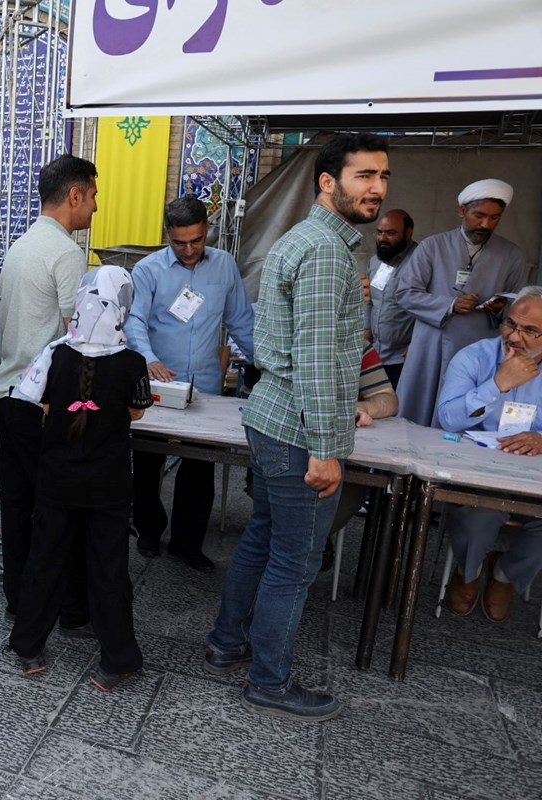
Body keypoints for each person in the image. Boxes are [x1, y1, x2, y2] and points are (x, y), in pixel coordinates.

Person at [206, 133, 388, 722]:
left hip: (274, 417)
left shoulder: (314, 242)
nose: (377, 187)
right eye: (364, 176)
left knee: (263, 539)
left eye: (383, 176)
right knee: (294, 561)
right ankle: (269, 681)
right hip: (297, 429)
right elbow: (315, 357)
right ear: (328, 182)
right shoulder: (326, 251)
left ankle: (227, 643)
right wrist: (327, 448)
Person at [8, 266, 151, 691]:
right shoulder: (133, 362)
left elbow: (40, 404)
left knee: (45, 562)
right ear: (124, 306)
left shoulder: (57, 354)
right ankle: (117, 659)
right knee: (109, 571)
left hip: (57, 483)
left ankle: (29, 647)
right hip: (108, 487)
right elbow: (137, 410)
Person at [0, 154, 97, 629]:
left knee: (16, 507)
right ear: (74, 195)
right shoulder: (66, 253)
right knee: (56, 509)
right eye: (92, 195)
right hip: (41, 402)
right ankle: (62, 606)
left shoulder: (21, 244)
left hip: (7, 393)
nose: (95, 206)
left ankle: (20, 598)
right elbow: (81, 337)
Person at [125, 195, 254, 571]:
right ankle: (148, 529)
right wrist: (148, 360)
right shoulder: (148, 270)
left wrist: (268, 363)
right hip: (159, 384)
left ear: (207, 231)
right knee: (148, 460)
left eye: (196, 240)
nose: (189, 249)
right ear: (167, 234)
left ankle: (187, 541)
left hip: (205, 383)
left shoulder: (225, 266)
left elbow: (241, 321)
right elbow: (134, 321)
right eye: (179, 242)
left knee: (200, 467)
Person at [437, 287, 542, 622]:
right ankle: (468, 571)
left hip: (532, 476)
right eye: (510, 324)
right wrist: (498, 383)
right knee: (479, 515)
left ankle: (506, 574)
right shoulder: (474, 357)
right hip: (477, 474)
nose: (514, 336)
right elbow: (448, 418)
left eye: (530, 331)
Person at [396, 179, 527, 426]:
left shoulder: (512, 255)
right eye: (479, 215)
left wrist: (501, 308)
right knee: (418, 414)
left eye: (495, 218)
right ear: (462, 210)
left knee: (467, 413)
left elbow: (520, 308)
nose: (486, 224)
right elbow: (404, 292)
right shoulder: (432, 246)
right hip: (431, 344)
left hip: (478, 347)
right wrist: (449, 305)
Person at [320, 343, 399, 572]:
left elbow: (388, 399)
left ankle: (317, 542)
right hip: (288, 447)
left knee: (336, 501)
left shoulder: (356, 345)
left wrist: (356, 407)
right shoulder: (284, 332)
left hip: (344, 460)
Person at [366, 209, 417, 389]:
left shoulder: (421, 262)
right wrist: (366, 330)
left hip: (403, 357)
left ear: (408, 233)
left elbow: (427, 308)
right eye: (380, 232)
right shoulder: (375, 261)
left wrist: (417, 343)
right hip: (375, 354)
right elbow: (370, 301)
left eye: (391, 233)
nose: (382, 238)